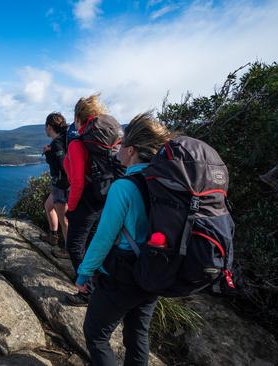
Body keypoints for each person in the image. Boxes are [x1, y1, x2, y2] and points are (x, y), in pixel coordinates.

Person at [75, 111, 174, 366]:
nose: (116, 147)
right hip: (154, 269)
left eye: (121, 143)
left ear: (131, 150)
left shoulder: (124, 187)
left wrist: (84, 273)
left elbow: (104, 238)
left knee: (96, 335)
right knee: (137, 334)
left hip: (123, 275)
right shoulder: (166, 181)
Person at [63, 94, 109, 305]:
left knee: (74, 246)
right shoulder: (100, 143)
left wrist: (70, 208)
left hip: (85, 202)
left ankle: (86, 291)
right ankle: (98, 285)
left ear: (78, 118)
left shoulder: (77, 144)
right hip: (102, 198)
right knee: (91, 244)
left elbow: (78, 182)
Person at [42, 112, 70, 258]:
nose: (45, 129)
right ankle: (53, 237)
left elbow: (62, 165)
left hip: (62, 186)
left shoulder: (57, 144)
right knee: (48, 206)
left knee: (63, 219)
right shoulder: (64, 139)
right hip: (61, 184)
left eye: (46, 126)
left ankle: (68, 250)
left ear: (50, 127)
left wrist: (48, 153)